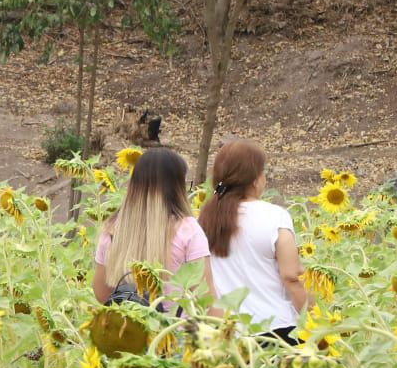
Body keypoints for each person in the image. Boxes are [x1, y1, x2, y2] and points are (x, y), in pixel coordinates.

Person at [197, 139, 310, 343]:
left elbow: (206, 284)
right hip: (277, 330)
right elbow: (291, 277)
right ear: (255, 179)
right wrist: (315, 320)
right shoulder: (275, 216)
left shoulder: (205, 220)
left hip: (230, 335)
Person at [91, 147, 216, 310]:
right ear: (176, 187)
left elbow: (101, 292)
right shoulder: (188, 230)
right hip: (174, 333)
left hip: (130, 330)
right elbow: (205, 299)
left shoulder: (113, 230)